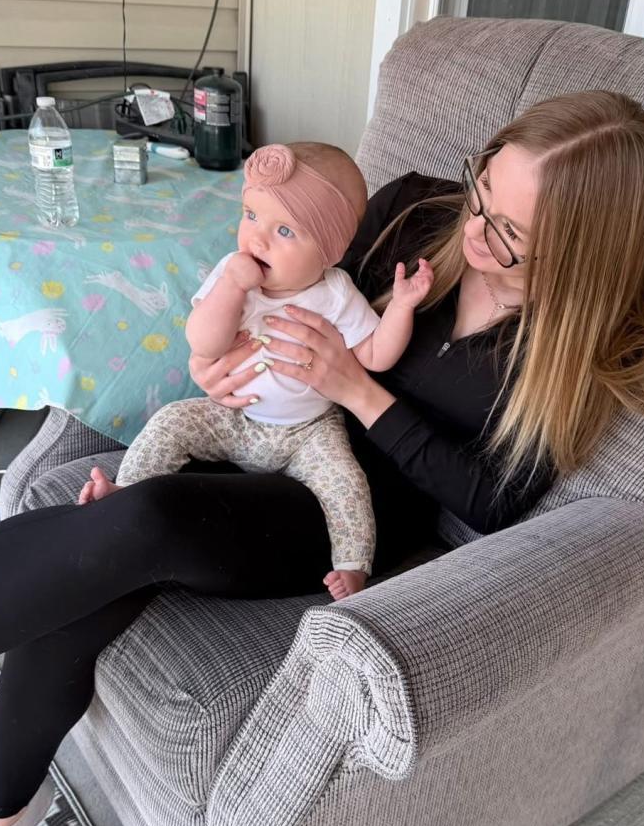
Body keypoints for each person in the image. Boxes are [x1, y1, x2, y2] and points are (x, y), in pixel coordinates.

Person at [0, 89, 644, 826]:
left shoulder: (581, 354)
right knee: (85, 574)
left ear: (585, 249)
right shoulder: (416, 211)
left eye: (511, 234)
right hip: (255, 427)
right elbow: (281, 284)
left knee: (142, 522)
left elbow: (493, 501)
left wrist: (360, 392)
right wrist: (217, 365)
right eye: (483, 191)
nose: (477, 230)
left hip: (341, 503)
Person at [88, 141, 434, 601]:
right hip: (237, 417)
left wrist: (402, 308)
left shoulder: (336, 293)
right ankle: (126, 491)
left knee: (346, 482)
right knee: (171, 421)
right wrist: (232, 287)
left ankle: (352, 565)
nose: (258, 239)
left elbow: (375, 355)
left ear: (329, 250)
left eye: (285, 230)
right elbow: (204, 343)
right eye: (251, 215)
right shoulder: (232, 275)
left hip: (310, 430)